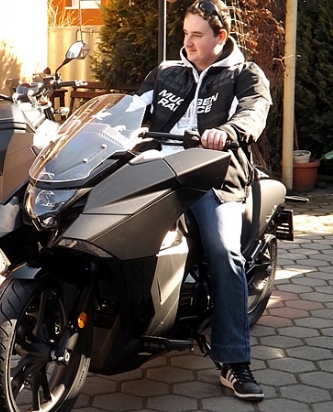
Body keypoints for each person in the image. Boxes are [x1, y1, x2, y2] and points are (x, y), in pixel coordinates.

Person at [137, 0, 271, 402]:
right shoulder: (166, 72)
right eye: (185, 33)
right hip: (156, 168)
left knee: (224, 251)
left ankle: (234, 361)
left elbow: (253, 113)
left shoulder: (244, 74)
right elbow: (130, 110)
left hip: (212, 175)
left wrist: (227, 132)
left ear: (220, 37)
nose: (189, 42)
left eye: (197, 35)